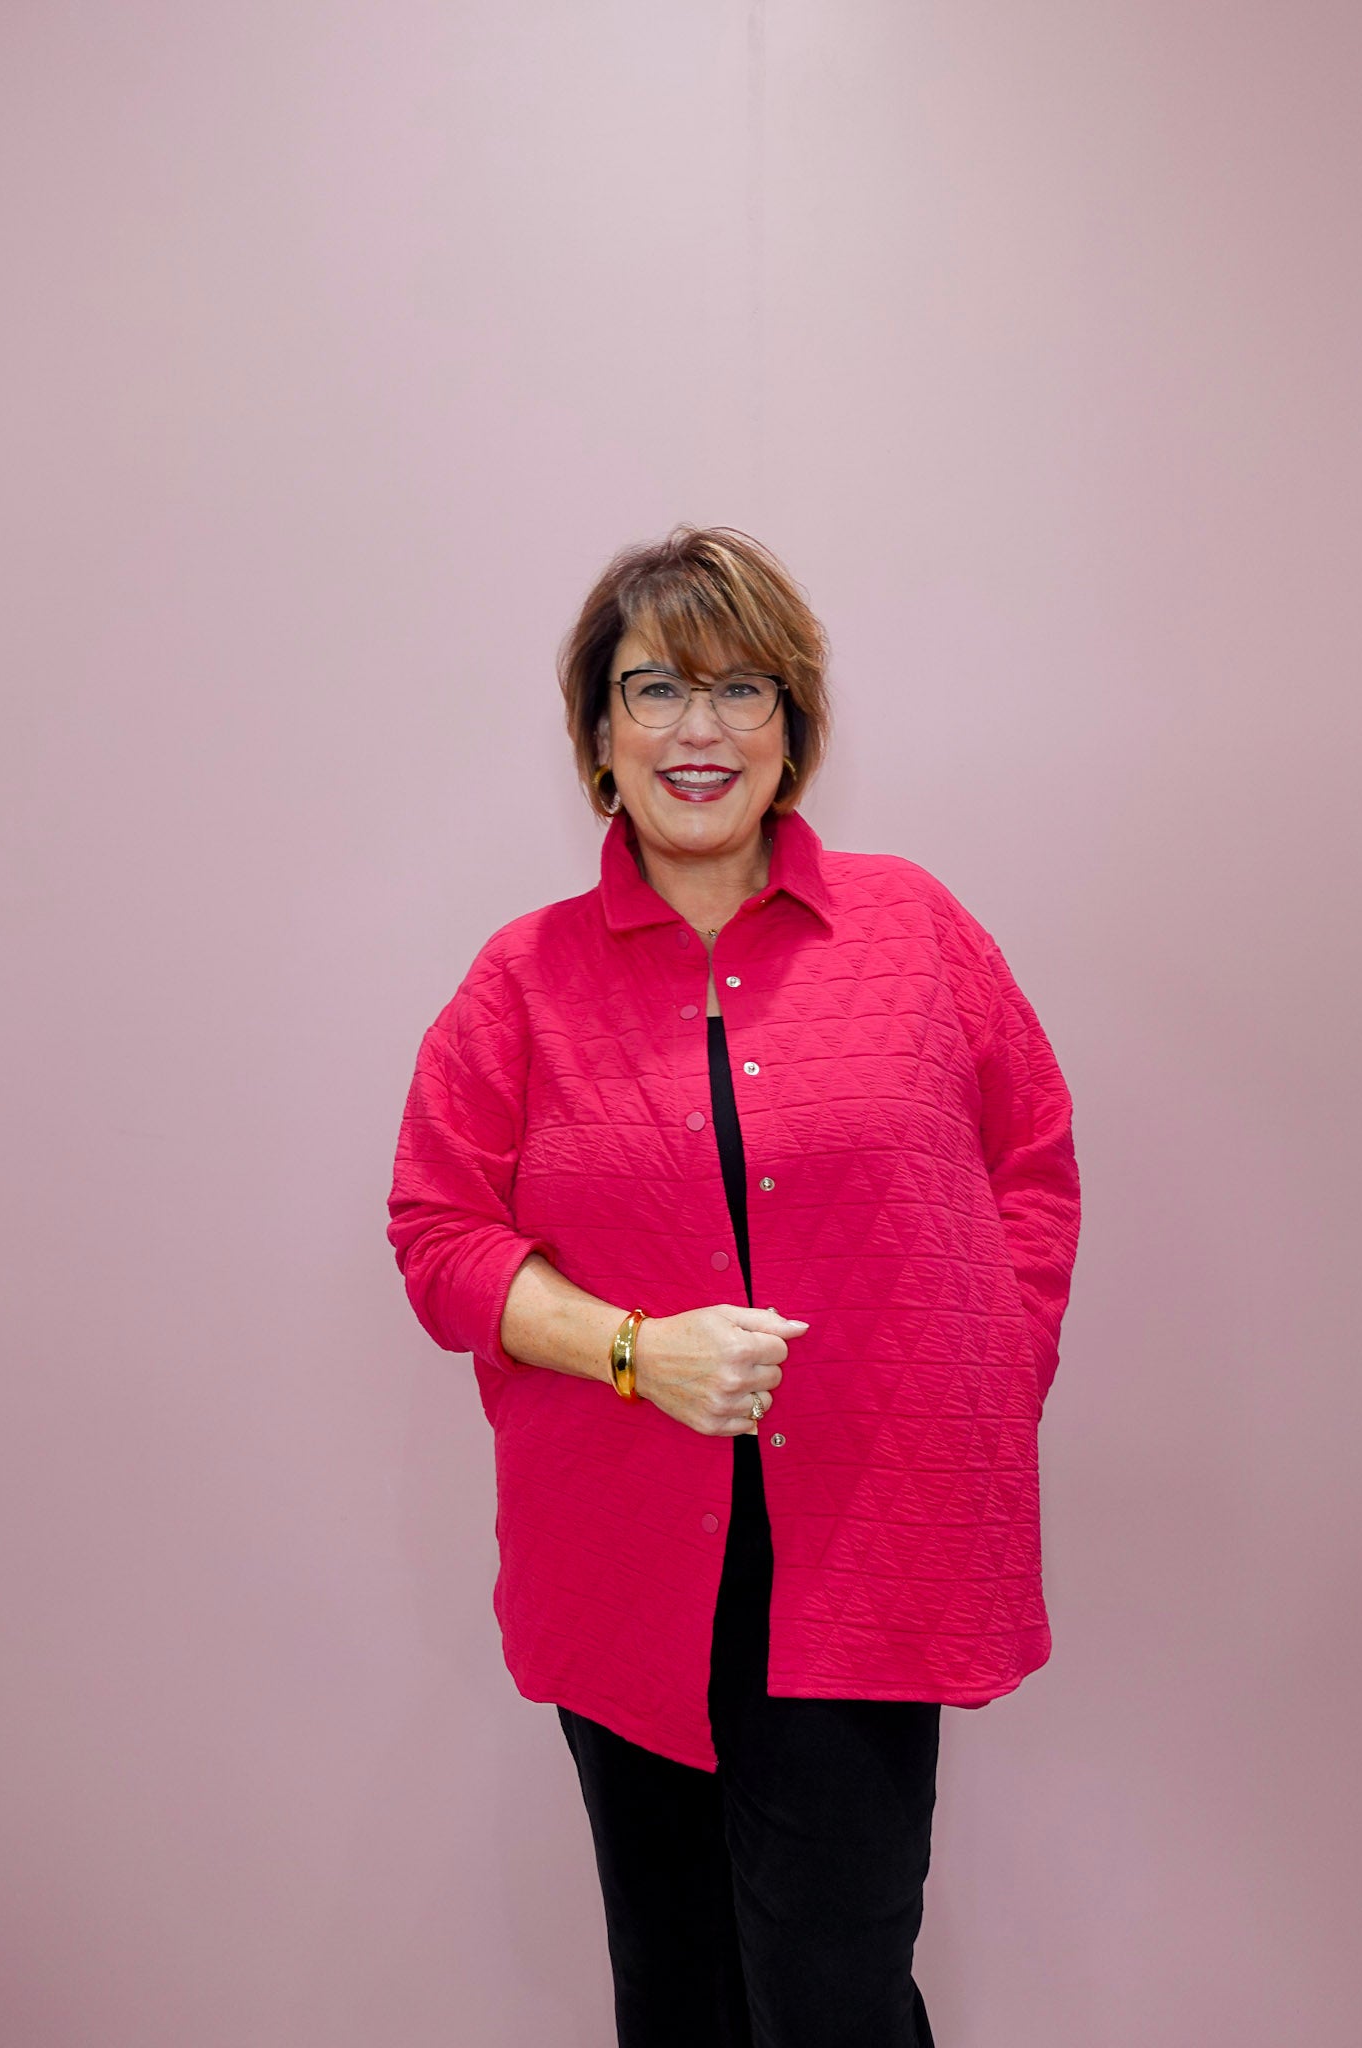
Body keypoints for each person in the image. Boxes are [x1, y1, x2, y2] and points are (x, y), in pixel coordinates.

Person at [387, 525, 1081, 2047]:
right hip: (627, 1554)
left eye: (742, 689)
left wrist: (988, 1368)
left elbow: (1030, 1159)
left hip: (867, 1541)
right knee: (679, 1988)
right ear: (596, 737)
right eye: (653, 691)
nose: (699, 732)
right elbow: (440, 1235)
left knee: (833, 1990)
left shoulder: (917, 932)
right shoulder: (520, 983)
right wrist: (635, 1350)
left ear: (794, 730)